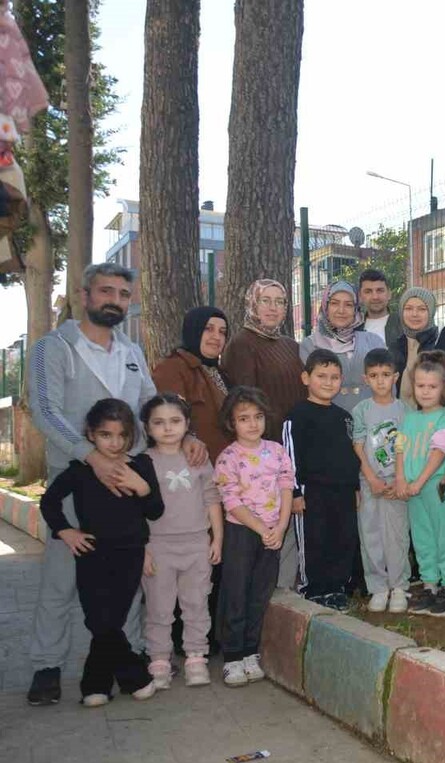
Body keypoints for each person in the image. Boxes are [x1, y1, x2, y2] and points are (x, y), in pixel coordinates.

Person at [26, 262, 205, 707]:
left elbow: (149, 407)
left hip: (125, 486)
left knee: (126, 581)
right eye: (106, 291)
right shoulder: (53, 347)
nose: (115, 301)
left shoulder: (131, 351)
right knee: (62, 581)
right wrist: (90, 457)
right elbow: (45, 410)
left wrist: (187, 437)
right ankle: (47, 665)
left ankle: (122, 658)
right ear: (84, 295)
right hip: (77, 484)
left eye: (124, 294)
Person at [39, 399, 164, 707]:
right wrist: (65, 531)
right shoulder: (80, 470)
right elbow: (49, 502)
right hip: (92, 554)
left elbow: (155, 511)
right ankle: (136, 677)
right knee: (99, 622)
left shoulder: (141, 465)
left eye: (122, 435)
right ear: (91, 434)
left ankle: (96, 686)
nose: (115, 442)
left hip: (130, 554)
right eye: (106, 435)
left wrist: (142, 487)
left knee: (110, 622)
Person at [214, 386, 295, 687]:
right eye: (244, 418)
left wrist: (281, 527)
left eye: (258, 416)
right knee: (236, 592)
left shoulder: (277, 451)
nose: (252, 424)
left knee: (260, 593)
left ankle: (250, 651)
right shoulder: (228, 458)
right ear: (231, 423)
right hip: (242, 532)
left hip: (273, 533)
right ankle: (233, 656)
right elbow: (231, 500)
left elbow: (286, 487)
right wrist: (262, 529)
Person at [140, 393, 222, 690]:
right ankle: (159, 660)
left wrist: (217, 539)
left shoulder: (198, 457)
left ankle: (196, 658)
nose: (167, 428)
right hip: (158, 547)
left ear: (187, 424)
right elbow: (136, 510)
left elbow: (212, 498)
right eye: (159, 422)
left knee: (196, 603)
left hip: (197, 544)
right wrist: (144, 549)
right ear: (147, 428)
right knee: (159, 607)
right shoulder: (143, 462)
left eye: (175, 421)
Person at [283, 349, 361, 609]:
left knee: (343, 538)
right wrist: (295, 492)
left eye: (334, 377)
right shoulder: (297, 415)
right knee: (315, 540)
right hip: (311, 492)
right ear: (306, 378)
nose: (328, 382)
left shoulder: (344, 417)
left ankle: (336, 588)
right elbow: (289, 457)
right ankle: (313, 590)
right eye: (321, 376)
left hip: (343, 492)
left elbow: (351, 456)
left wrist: (355, 487)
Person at [397, 353, 445, 618]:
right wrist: (401, 479)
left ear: (443, 388)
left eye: (432, 386)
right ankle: (429, 585)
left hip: (435, 487)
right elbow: (400, 448)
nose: (425, 391)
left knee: (444, 537)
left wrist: (420, 481)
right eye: (420, 385)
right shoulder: (409, 418)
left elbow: (439, 452)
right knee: (422, 537)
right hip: (412, 489)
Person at [352, 348, 411, 614]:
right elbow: (358, 445)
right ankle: (378, 586)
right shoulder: (361, 410)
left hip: (397, 482)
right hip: (370, 482)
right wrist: (371, 478)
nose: (380, 381)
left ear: (395, 377)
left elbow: (405, 445)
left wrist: (399, 479)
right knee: (371, 534)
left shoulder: (405, 410)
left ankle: (399, 586)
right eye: (374, 375)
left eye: (386, 375)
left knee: (396, 535)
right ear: (365, 379)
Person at [221, 278, 306, 444]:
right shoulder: (242, 344)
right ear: (253, 304)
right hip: (264, 443)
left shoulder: (291, 345)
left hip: (297, 437)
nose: (273, 307)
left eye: (279, 301)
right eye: (265, 300)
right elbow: (244, 401)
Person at [151, 306, 231, 460]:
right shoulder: (173, 368)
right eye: (208, 329)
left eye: (222, 332)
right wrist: (187, 438)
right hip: (193, 463)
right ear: (194, 330)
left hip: (227, 464)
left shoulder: (220, 371)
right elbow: (166, 415)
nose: (217, 337)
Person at [300, 280, 384, 413]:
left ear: (355, 309)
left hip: (372, 419)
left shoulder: (373, 341)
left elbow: (388, 386)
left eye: (348, 305)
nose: (341, 310)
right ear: (325, 306)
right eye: (334, 303)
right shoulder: (310, 345)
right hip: (328, 419)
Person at [390, 286, 440, 401]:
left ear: (431, 312)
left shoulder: (440, 344)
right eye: (408, 308)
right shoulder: (394, 347)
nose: (414, 314)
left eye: (422, 309)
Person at [355, 269, 402, 347]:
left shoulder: (404, 325)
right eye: (368, 291)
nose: (375, 297)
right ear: (360, 296)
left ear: (389, 294)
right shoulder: (353, 329)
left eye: (380, 291)